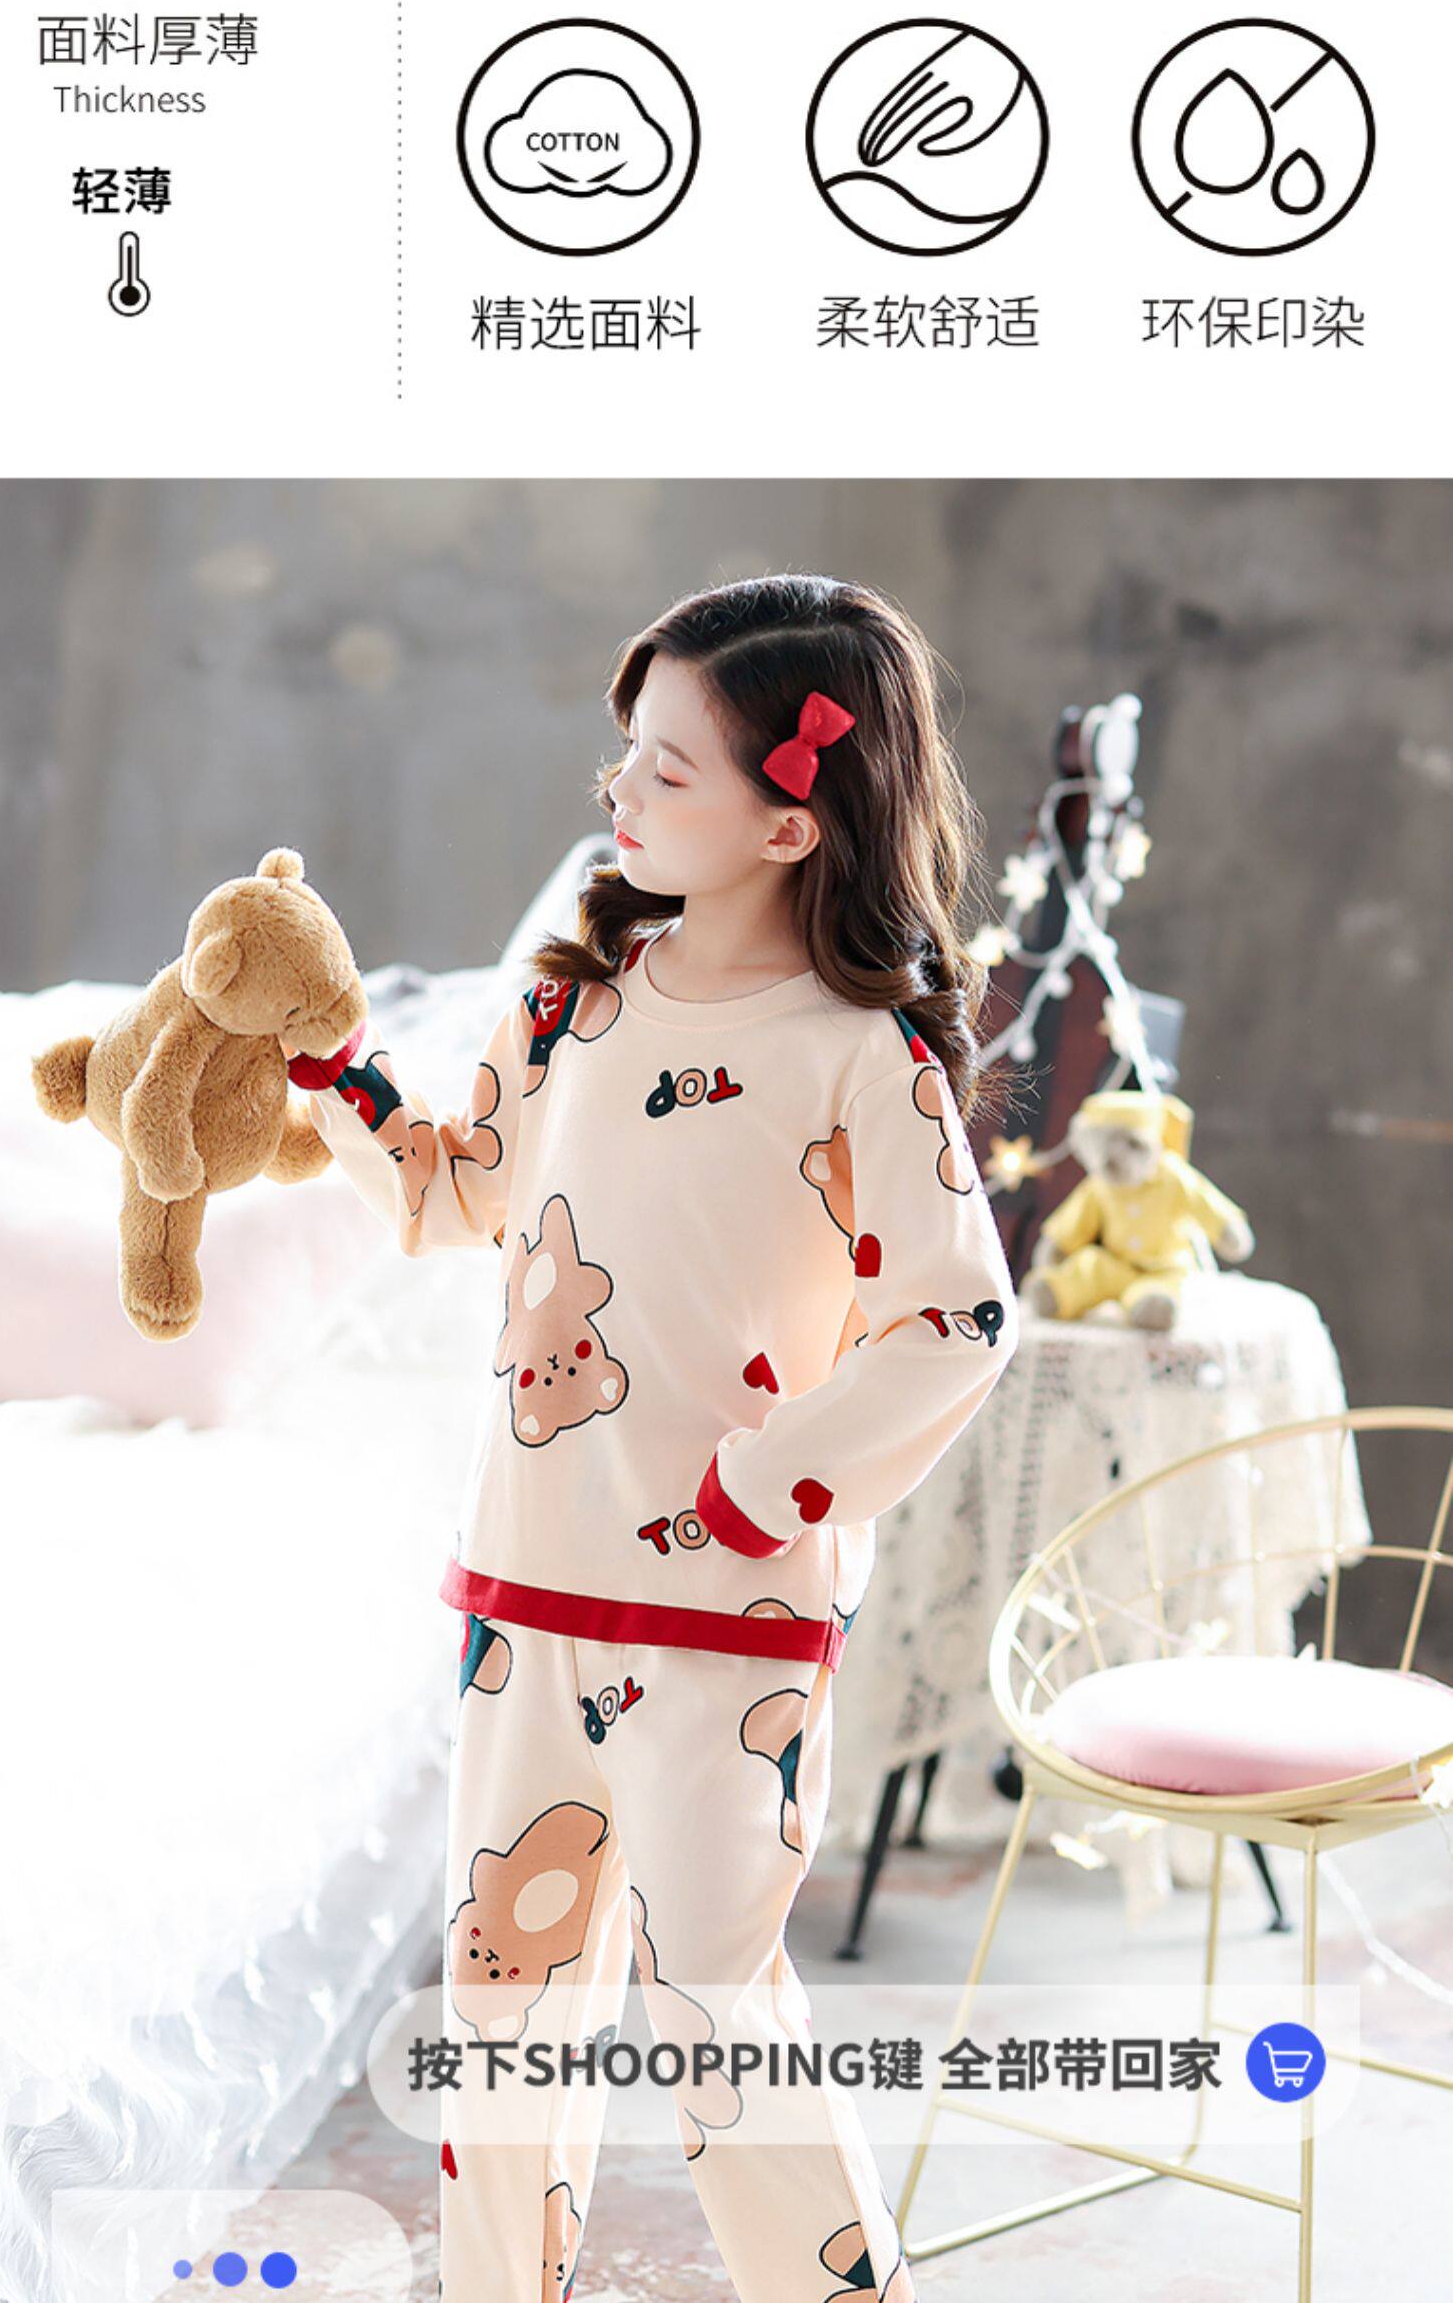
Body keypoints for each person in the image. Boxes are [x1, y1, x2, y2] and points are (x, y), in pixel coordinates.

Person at [285, 573, 1020, 2302]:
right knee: (505, 2015)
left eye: (667, 768)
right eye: (625, 751)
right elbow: (463, 1191)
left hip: (725, 1619)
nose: (618, 789)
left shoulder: (861, 1056)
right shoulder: (575, 1007)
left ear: (790, 818)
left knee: (715, 2013)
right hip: (529, 1585)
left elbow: (959, 1318)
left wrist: (759, 1489)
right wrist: (333, 1080)